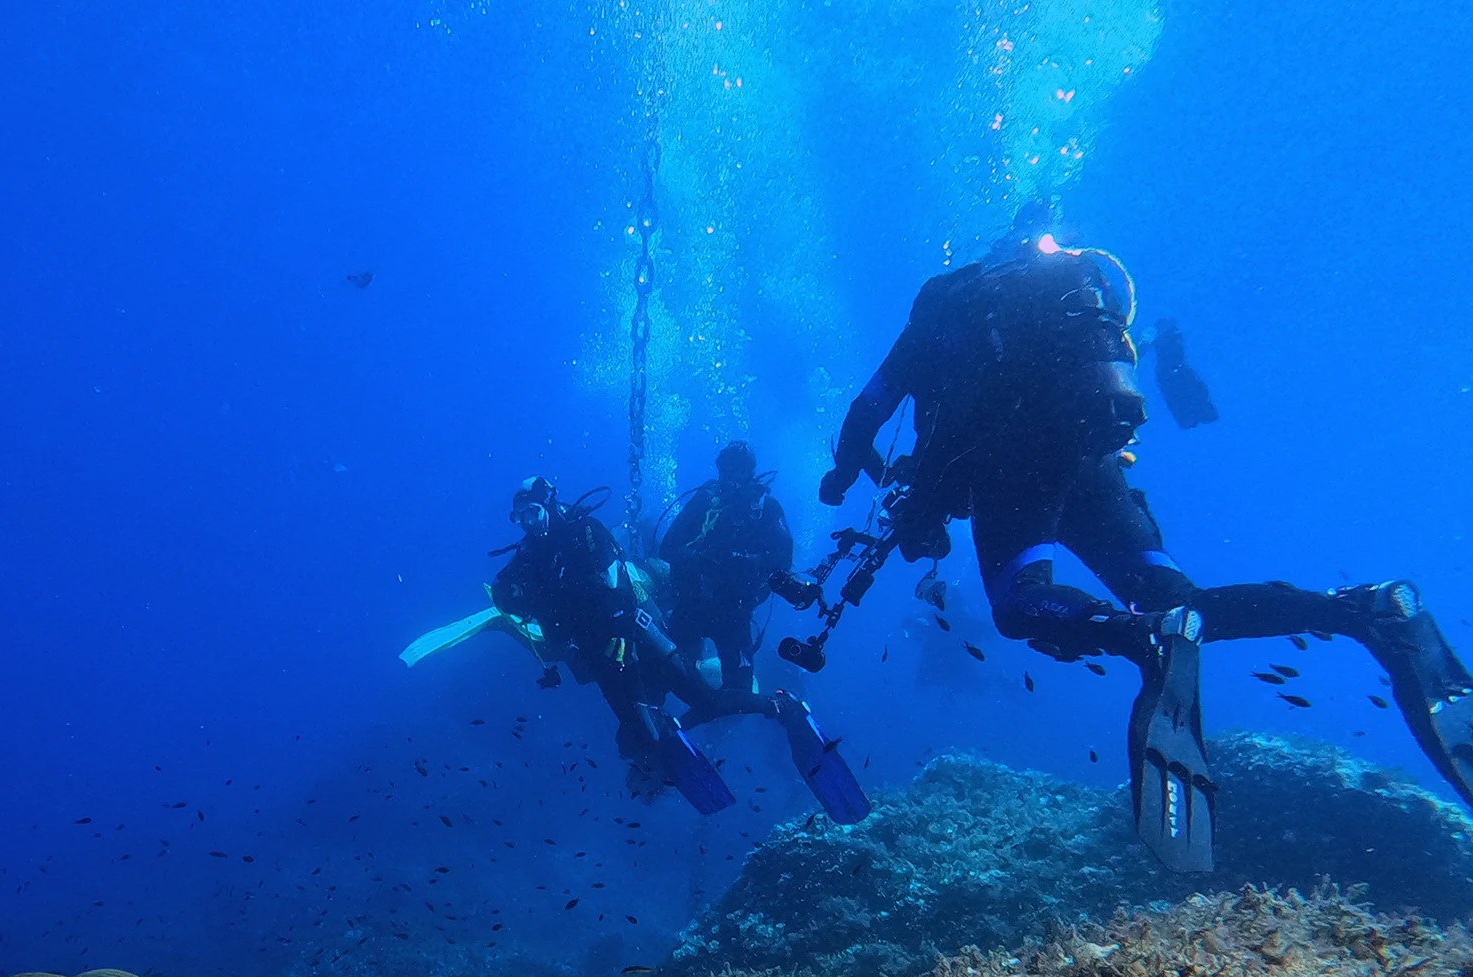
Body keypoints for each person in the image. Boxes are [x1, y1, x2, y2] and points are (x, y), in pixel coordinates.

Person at [821, 201, 1473, 872]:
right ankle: (1361, 610)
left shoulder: (947, 303)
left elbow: (870, 405)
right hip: (1097, 466)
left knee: (1020, 605)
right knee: (1180, 597)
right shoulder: (1077, 294)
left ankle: (1143, 637)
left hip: (1013, 466)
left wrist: (844, 473)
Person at [490, 477, 866, 821]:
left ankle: (781, 707)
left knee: (706, 703)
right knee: (634, 730)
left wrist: (611, 628)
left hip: (639, 639)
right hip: (600, 657)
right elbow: (504, 592)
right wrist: (535, 599)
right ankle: (657, 759)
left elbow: (616, 588)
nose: (527, 522)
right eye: (519, 516)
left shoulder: (584, 532)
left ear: (551, 504)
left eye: (533, 512)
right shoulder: (530, 554)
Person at [658, 441, 795, 691]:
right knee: (665, 675)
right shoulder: (706, 500)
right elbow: (667, 548)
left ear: (750, 473)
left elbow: (783, 561)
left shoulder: (767, 510)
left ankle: (714, 715)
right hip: (693, 602)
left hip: (735, 610)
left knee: (740, 689)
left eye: (738, 471)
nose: (730, 479)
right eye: (725, 471)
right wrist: (700, 558)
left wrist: (743, 560)